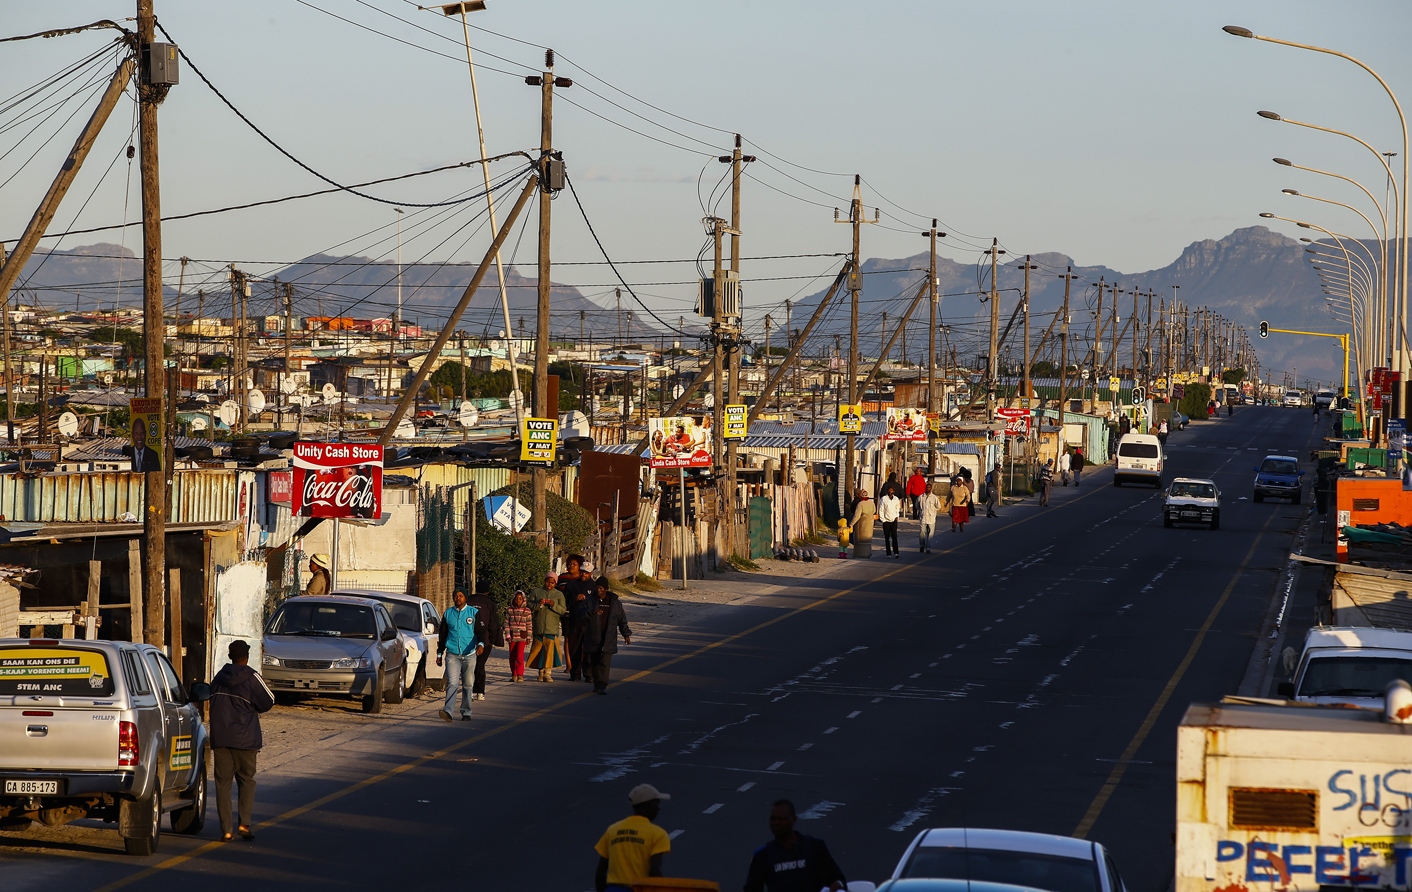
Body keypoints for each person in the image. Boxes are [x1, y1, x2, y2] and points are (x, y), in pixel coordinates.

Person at [209, 639, 275, 842]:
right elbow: (268, 701)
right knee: (246, 780)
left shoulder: (218, 677)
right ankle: (244, 825)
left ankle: (226, 830)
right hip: (246, 739)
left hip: (220, 738)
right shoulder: (252, 677)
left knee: (222, 784)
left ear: (229, 656)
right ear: (247, 656)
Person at [743, 799, 847, 892]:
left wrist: (837, 884)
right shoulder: (763, 856)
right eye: (773, 819)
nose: (776, 823)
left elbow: (837, 877)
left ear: (794, 820)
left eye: (781, 819)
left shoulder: (815, 846)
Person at [595, 784, 671, 892]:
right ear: (648, 805)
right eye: (656, 804)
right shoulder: (658, 833)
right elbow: (654, 871)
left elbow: (600, 873)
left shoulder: (612, 830)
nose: (658, 809)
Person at [435, 590, 484, 722]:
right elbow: (443, 635)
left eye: (461, 596)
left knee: (468, 684)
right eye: (456, 596)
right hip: (452, 654)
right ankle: (448, 711)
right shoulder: (448, 614)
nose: (458, 598)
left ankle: (466, 711)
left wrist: (481, 644)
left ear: (465, 598)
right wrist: (439, 654)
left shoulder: (474, 613)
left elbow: (481, 632)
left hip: (470, 654)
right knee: (453, 683)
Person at [584, 576, 632, 694]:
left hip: (608, 637)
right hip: (593, 636)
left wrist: (626, 634)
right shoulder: (590, 601)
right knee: (594, 662)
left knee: (604, 662)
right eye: (597, 588)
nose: (598, 590)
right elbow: (581, 614)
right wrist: (591, 612)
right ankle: (597, 683)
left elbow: (622, 619)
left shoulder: (615, 603)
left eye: (601, 588)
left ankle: (602, 685)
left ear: (606, 589)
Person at [558, 555, 596, 683]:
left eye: (586, 572)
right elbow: (563, 599)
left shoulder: (595, 587)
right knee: (574, 648)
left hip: (589, 623)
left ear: (591, 573)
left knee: (588, 649)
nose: (583, 574)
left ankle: (588, 674)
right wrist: (575, 598)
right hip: (575, 620)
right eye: (582, 571)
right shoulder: (572, 585)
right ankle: (575, 673)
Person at [465, 589, 505, 701]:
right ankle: (480, 691)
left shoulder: (468, 600)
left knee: (469, 666)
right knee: (480, 666)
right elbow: (494, 623)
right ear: (487, 591)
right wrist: (492, 639)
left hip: (468, 639)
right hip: (485, 640)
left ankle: (470, 691)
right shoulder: (490, 603)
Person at [527, 573, 567, 682]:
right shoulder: (536, 592)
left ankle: (547, 673)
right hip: (538, 627)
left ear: (555, 583)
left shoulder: (559, 595)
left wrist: (553, 604)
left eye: (552, 583)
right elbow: (529, 605)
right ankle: (540, 672)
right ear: (544, 581)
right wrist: (538, 605)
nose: (549, 584)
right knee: (538, 650)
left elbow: (563, 610)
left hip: (551, 628)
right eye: (548, 582)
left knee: (549, 651)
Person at [505, 591, 532, 682]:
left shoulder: (527, 611)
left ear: (523, 600)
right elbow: (507, 624)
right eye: (516, 598)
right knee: (512, 655)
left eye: (520, 599)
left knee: (519, 655)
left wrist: (528, 637)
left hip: (522, 637)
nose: (518, 600)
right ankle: (514, 674)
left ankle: (520, 674)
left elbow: (529, 625)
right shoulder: (510, 610)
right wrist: (508, 635)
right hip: (512, 636)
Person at [849, 488, 875, 558]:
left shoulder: (860, 504)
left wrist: (851, 524)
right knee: (867, 540)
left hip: (861, 525)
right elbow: (874, 511)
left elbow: (856, 516)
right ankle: (868, 553)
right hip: (869, 524)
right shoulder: (871, 503)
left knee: (860, 540)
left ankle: (859, 554)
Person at [877, 486, 902, 559]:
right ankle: (888, 553)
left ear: (894, 491)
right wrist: (883, 520)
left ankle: (896, 552)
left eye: (891, 490)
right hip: (886, 521)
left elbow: (897, 508)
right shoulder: (884, 499)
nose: (890, 491)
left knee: (894, 537)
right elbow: (881, 509)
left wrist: (897, 516)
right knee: (887, 537)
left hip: (893, 520)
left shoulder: (896, 499)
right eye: (889, 490)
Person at [918, 482, 941, 554]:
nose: (928, 489)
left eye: (929, 487)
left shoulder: (934, 498)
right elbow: (917, 505)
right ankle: (922, 545)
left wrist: (933, 511)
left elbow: (938, 506)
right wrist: (921, 511)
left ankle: (928, 548)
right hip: (923, 517)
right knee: (922, 532)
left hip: (931, 518)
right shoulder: (921, 497)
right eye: (927, 487)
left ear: (931, 488)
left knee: (930, 534)